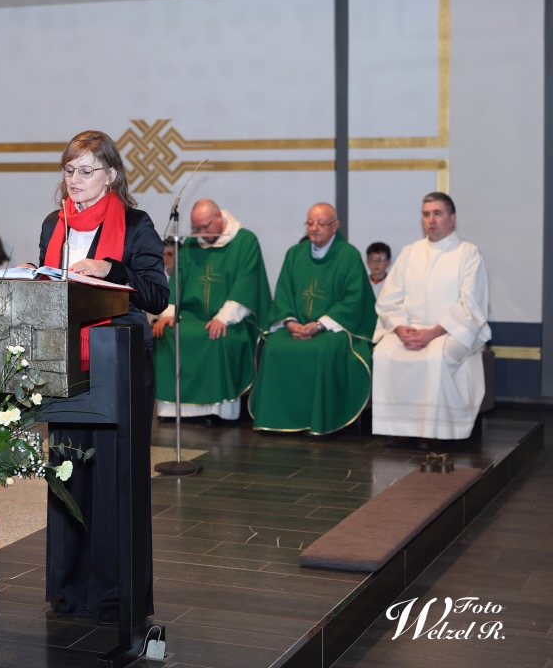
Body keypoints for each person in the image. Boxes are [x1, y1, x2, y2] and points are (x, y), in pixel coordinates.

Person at [39, 130, 169, 623]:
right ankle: (69, 590)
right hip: (65, 363)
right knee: (69, 473)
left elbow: (156, 295)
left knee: (115, 480)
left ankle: (115, 594)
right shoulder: (54, 223)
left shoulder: (136, 224)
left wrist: (109, 268)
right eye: (69, 170)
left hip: (119, 365)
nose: (75, 179)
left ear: (111, 174)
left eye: (86, 171)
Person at [372, 193, 490, 446]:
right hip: (411, 329)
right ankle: (401, 428)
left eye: (438, 213)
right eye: (426, 214)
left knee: (436, 357)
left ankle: (437, 432)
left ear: (452, 218)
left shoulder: (468, 253)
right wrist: (400, 328)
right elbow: (389, 299)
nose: (431, 220)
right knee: (384, 353)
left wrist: (433, 332)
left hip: (450, 331)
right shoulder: (410, 253)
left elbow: (470, 305)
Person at [248, 203, 375, 435]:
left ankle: (319, 419)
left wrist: (319, 324)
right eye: (310, 223)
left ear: (335, 226)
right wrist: (290, 323)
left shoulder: (349, 256)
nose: (314, 228)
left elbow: (355, 300)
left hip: (333, 328)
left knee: (323, 349)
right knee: (274, 348)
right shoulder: (294, 254)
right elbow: (283, 294)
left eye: (322, 223)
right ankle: (275, 418)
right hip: (297, 326)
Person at [151, 199, 270, 424]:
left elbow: (246, 284)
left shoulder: (245, 241)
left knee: (216, 336)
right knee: (166, 334)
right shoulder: (193, 243)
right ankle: (172, 409)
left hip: (234, 319)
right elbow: (178, 280)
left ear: (219, 217)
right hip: (193, 316)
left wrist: (224, 317)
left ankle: (218, 410)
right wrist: (167, 315)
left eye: (206, 227)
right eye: (197, 228)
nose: (202, 234)